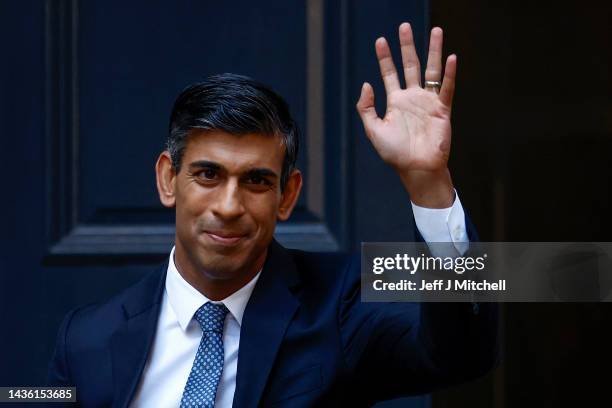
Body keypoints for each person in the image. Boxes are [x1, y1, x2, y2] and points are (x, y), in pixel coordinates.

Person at [47, 23, 498, 407]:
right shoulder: (87, 338)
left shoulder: (338, 306)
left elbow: (462, 353)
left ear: (287, 195)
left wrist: (427, 182)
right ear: (169, 179)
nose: (228, 206)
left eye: (256, 181)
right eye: (208, 175)